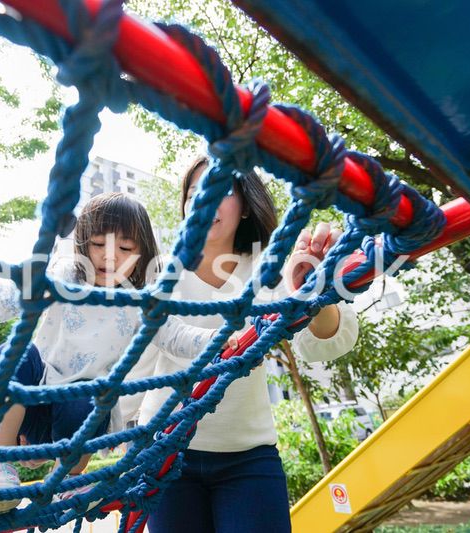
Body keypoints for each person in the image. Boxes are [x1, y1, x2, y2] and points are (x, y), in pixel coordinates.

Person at [0, 192, 241, 518]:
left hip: (80, 421)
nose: (110, 255)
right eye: (99, 243)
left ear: (143, 255)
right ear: (83, 245)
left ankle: (71, 481)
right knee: (13, 354)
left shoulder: (139, 301)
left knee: (92, 394)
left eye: (126, 248)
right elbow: (10, 293)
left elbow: (175, 333)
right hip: (29, 404)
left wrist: (217, 338)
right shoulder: (64, 277)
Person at [136, 156, 359, 533]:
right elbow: (136, 362)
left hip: (246, 457)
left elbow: (321, 345)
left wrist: (317, 292)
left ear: (244, 206)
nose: (203, 199)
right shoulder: (159, 272)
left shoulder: (268, 268)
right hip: (164, 448)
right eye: (193, 192)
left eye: (220, 189)